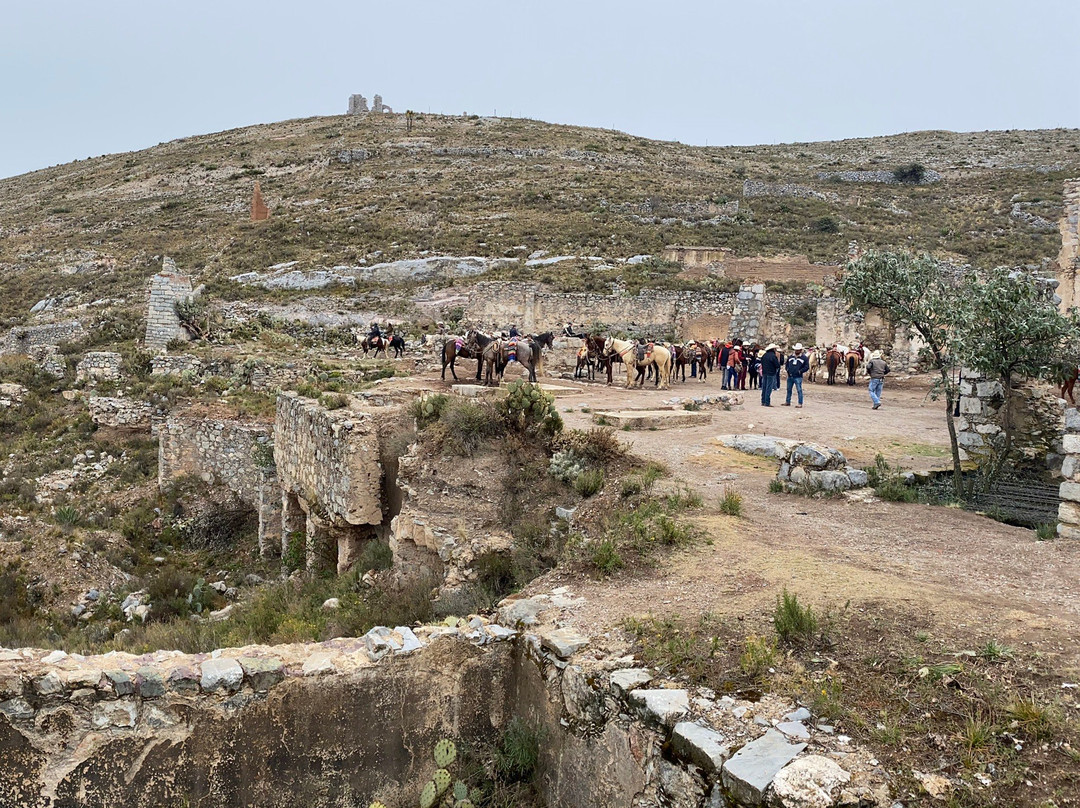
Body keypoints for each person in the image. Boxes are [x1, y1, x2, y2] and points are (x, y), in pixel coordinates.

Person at [783, 343, 810, 407]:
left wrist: (800, 371)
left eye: (798, 350)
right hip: (790, 375)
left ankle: (800, 403)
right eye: (796, 350)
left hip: (798, 376)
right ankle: (787, 401)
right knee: (789, 389)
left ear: (801, 350)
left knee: (799, 390)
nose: (796, 351)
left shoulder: (804, 358)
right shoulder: (790, 357)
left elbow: (806, 367)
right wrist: (787, 370)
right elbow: (787, 364)